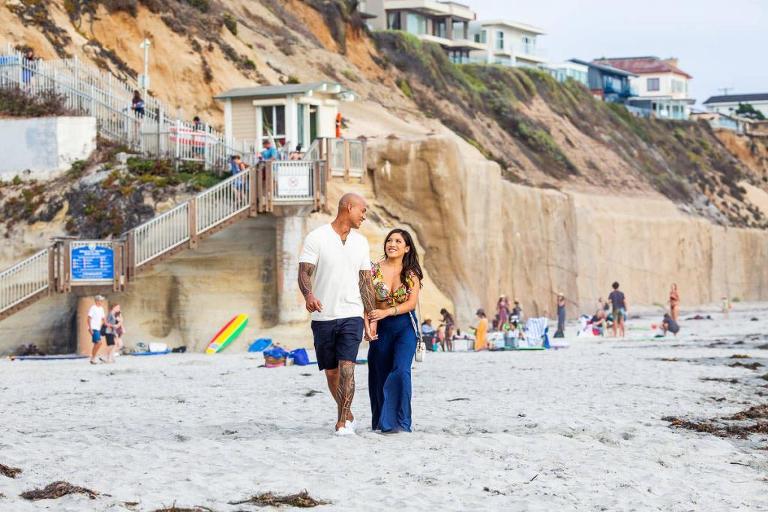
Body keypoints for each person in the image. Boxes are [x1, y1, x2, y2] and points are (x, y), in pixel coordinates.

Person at [298, 193, 376, 435]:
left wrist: (370, 317)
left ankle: (342, 422)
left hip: (351, 313)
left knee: (347, 368)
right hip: (323, 316)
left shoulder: (361, 242)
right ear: (348, 207)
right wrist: (308, 295)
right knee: (332, 373)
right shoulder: (317, 237)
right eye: (362, 210)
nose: (364, 216)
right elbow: (304, 273)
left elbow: (366, 282)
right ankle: (348, 411)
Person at [367, 229, 423, 433]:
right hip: (380, 328)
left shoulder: (411, 274)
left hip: (404, 328)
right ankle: (383, 422)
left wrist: (386, 312)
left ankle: (401, 421)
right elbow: (367, 300)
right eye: (389, 240)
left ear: (407, 248)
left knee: (401, 371)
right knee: (379, 374)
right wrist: (369, 323)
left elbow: (411, 304)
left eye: (398, 241)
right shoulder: (373, 270)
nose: (392, 244)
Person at [87, 296, 106, 365]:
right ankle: (93, 357)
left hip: (98, 328)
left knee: (97, 343)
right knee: (99, 343)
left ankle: (93, 358)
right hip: (93, 327)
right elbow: (89, 318)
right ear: (97, 301)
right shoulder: (93, 308)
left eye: (102, 301)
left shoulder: (101, 309)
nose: (102, 302)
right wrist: (90, 328)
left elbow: (103, 318)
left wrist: (106, 325)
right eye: (100, 300)